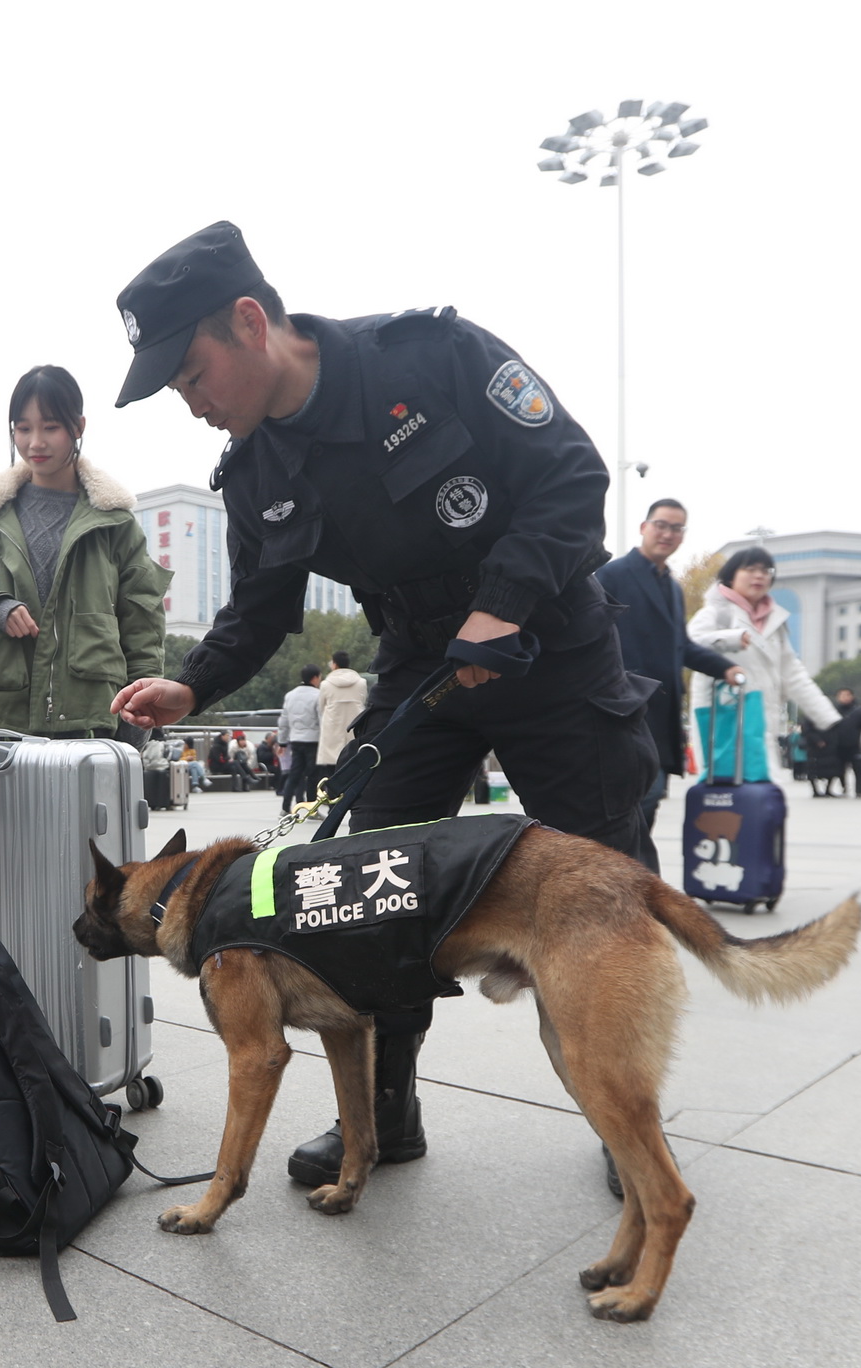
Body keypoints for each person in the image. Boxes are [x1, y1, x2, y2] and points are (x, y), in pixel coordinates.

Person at [106, 221, 660, 1190]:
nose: (189, 403)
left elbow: (571, 477)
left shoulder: (435, 355)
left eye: (191, 374)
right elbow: (259, 607)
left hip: (549, 647)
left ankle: (627, 1123)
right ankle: (383, 1114)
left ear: (249, 322)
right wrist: (191, 681)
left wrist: (501, 607)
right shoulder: (253, 471)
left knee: (597, 894)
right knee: (367, 894)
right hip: (421, 672)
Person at [0, 365, 170, 738]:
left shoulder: (115, 523)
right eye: (23, 428)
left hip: (88, 717)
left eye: (50, 427)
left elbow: (142, 623)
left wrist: (140, 709)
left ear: (79, 427)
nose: (35, 442)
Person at [594, 499, 745, 871]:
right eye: (661, 525)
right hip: (623, 709)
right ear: (644, 527)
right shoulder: (612, 575)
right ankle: (629, 882)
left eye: (677, 528)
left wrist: (725, 668)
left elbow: (682, 648)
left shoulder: (672, 588)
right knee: (633, 802)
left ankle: (632, 882)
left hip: (659, 714)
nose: (668, 534)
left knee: (651, 797)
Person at [688, 546, 834, 784]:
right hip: (723, 722)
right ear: (731, 575)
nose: (760, 576)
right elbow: (689, 645)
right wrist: (731, 638)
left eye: (766, 570)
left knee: (761, 797)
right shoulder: (715, 613)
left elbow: (794, 674)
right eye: (751, 569)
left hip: (762, 722)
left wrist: (827, 718)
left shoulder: (775, 622)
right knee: (729, 795)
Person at [278, 665, 323, 809]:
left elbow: (283, 720)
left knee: (294, 774)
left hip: (295, 739)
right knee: (313, 775)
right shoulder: (317, 695)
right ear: (315, 678)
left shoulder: (290, 695)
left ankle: (285, 807)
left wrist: (282, 742)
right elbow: (322, 718)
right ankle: (312, 807)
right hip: (313, 740)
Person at [317, 649, 368, 765]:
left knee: (331, 769)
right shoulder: (361, 682)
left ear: (334, 664)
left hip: (332, 730)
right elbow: (363, 701)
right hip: (354, 729)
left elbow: (321, 707)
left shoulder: (325, 684)